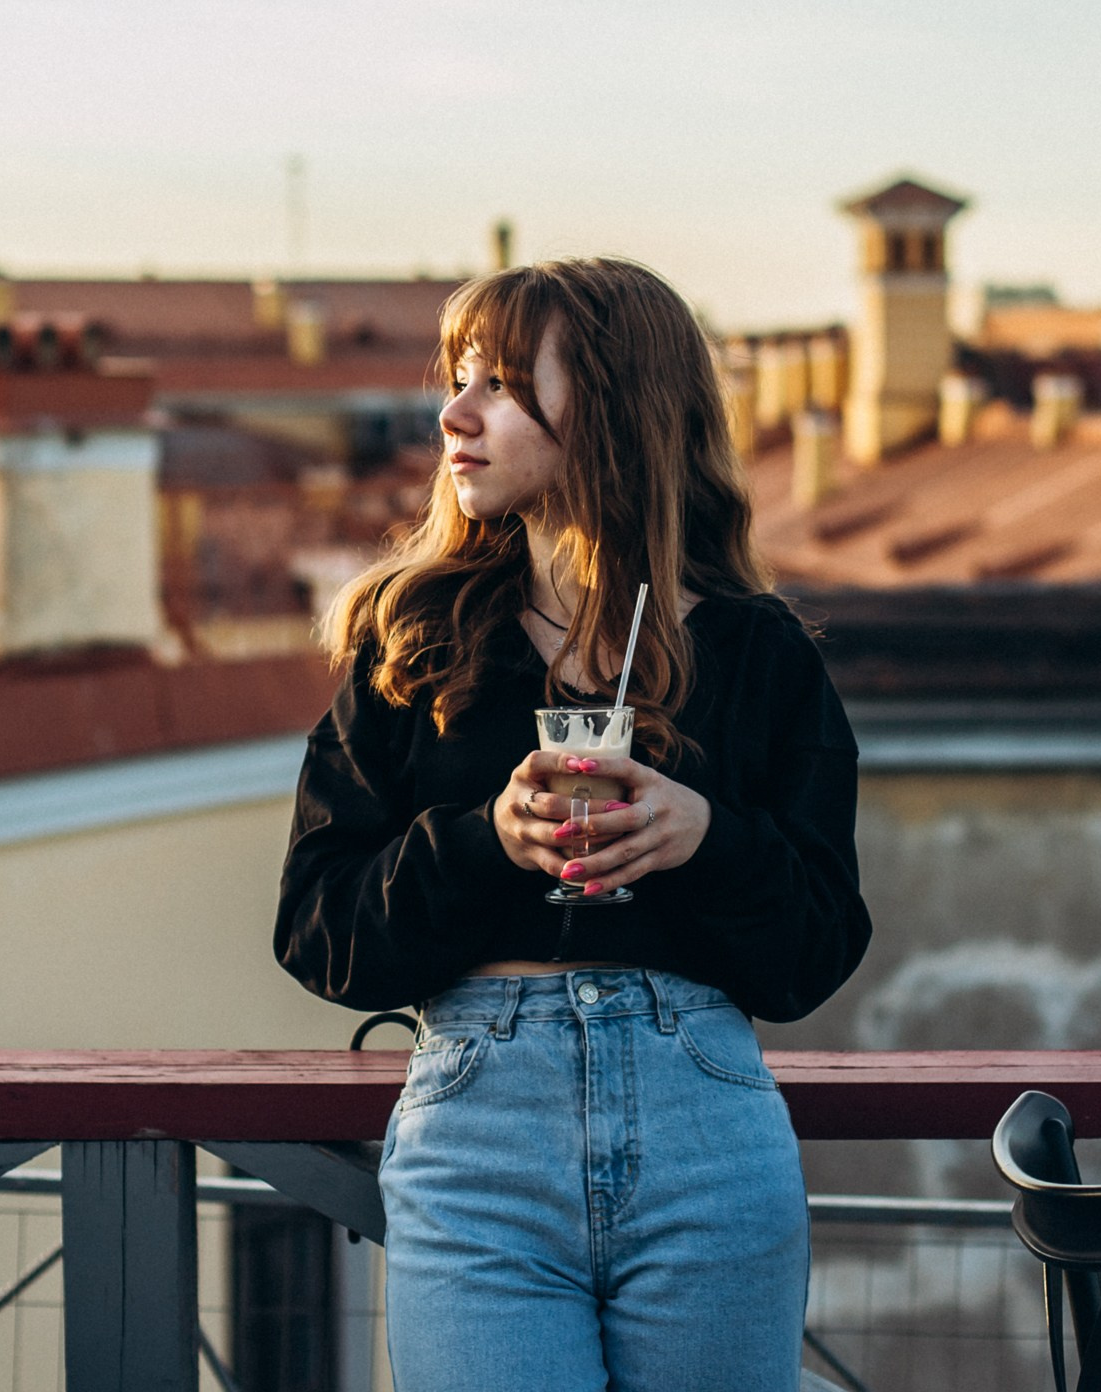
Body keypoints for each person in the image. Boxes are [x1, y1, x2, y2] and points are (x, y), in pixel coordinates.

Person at [273, 256, 870, 1392]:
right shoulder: (415, 648)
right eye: (457, 380)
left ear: (607, 401)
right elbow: (318, 928)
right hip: (479, 1142)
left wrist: (708, 837)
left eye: (497, 383)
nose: (454, 413)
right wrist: (482, 841)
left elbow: (815, 953)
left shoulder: (758, 656)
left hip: (706, 1129)